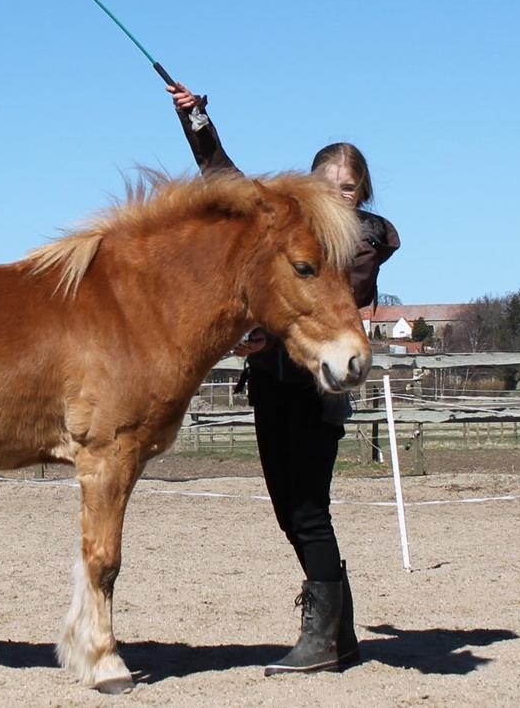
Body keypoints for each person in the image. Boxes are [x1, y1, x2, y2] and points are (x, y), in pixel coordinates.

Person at [167, 80, 400, 675]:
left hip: (314, 390)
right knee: (288, 508)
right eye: (326, 186)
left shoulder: (361, 242)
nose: (337, 195)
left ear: (362, 192)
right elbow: (228, 178)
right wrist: (197, 121)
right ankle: (340, 635)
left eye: (347, 187)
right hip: (272, 383)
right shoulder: (294, 231)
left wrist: (265, 334)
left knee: (306, 510)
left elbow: (332, 299)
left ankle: (323, 638)